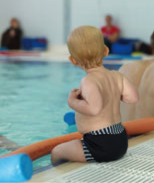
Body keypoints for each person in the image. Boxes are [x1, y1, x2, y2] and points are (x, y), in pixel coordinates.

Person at [51, 26, 138, 163]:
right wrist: (113, 93)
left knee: (57, 151)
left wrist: (72, 101)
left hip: (100, 145)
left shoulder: (88, 81)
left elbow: (94, 109)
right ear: (106, 51)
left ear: (73, 60)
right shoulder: (116, 76)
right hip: (121, 140)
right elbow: (133, 98)